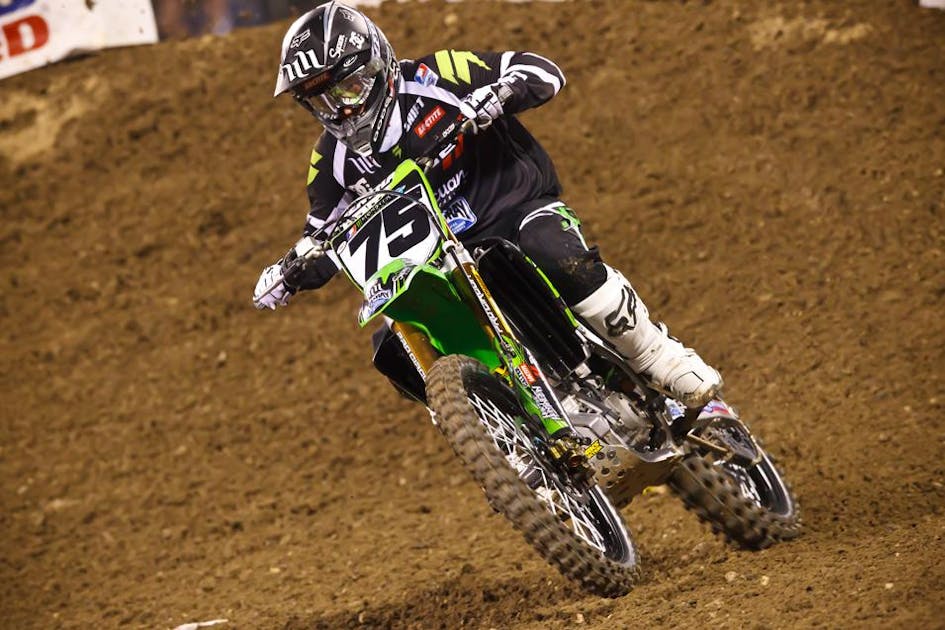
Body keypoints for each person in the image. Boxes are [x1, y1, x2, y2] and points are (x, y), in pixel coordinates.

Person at [253, 1, 722, 409]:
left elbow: (542, 70)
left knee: (553, 253)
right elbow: (324, 236)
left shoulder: (438, 75)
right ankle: (504, 430)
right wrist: (290, 271)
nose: (340, 111)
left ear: (376, 65)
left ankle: (655, 355)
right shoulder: (330, 161)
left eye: (347, 89)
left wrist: (499, 95)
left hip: (512, 212)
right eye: (321, 102)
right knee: (395, 346)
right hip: (434, 259)